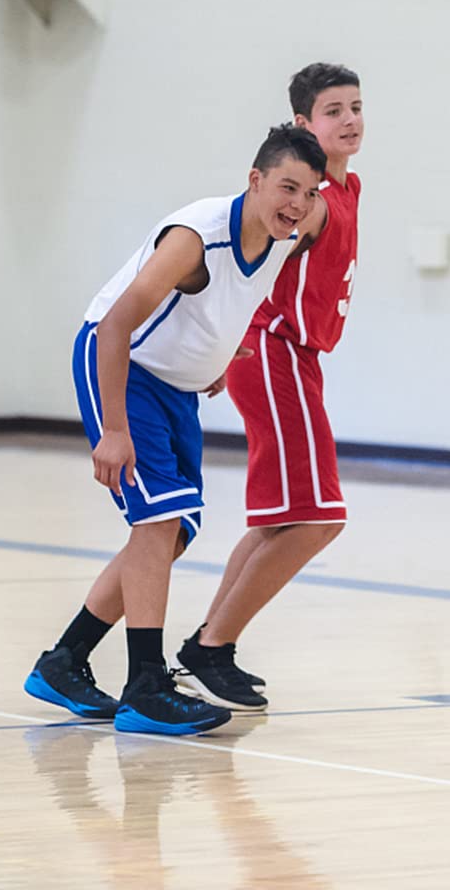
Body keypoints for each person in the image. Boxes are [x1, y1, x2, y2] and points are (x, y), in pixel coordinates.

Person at [23, 124, 328, 735]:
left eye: (308, 191)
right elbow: (113, 327)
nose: (297, 203)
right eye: (286, 187)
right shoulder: (196, 240)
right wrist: (114, 430)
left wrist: (218, 356)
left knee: (173, 532)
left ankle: (64, 661)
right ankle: (145, 686)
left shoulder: (293, 229)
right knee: (156, 522)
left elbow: (241, 295)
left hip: (178, 386)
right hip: (123, 366)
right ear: (255, 180)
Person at [178, 63, 364, 710]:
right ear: (301, 124)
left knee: (281, 521)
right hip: (272, 348)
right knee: (319, 520)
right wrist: (224, 341)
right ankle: (210, 648)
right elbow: (248, 257)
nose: (349, 120)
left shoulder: (348, 188)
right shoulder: (309, 204)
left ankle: (211, 644)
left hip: (296, 354)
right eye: (333, 110)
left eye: (356, 107)